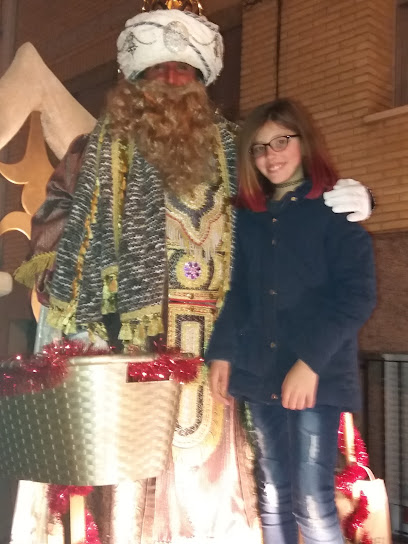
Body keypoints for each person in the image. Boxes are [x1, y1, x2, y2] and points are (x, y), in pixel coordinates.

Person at [12, 4, 373, 543]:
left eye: (184, 76)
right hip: (131, 338)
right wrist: (79, 287)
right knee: (135, 478)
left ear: (202, 85)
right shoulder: (95, 152)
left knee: (259, 481)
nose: (170, 87)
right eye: (157, 75)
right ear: (133, 85)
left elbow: (293, 194)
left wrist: (352, 198)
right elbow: (56, 218)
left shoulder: (239, 147)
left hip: (237, 336)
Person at [205, 98, 376, 544]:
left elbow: (357, 296)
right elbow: (240, 293)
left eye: (281, 141)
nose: (270, 155)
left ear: (304, 141)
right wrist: (222, 352)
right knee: (272, 491)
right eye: (259, 147)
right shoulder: (250, 216)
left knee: (313, 501)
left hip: (315, 377)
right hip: (260, 372)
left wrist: (310, 363)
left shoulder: (334, 207)